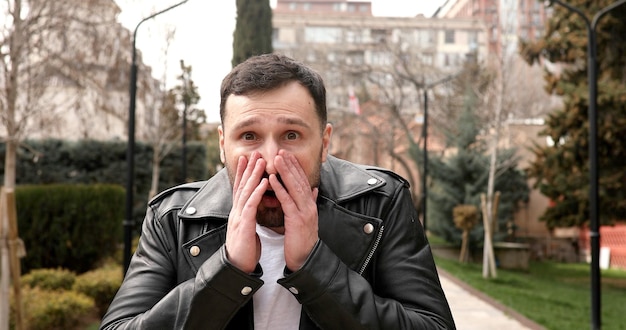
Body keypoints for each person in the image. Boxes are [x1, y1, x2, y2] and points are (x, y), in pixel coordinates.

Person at [100, 53, 456, 330]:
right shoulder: (172, 218)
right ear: (223, 145)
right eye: (249, 136)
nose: (270, 160)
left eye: (291, 136)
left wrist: (313, 265)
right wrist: (228, 270)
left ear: (324, 142)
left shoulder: (381, 203)